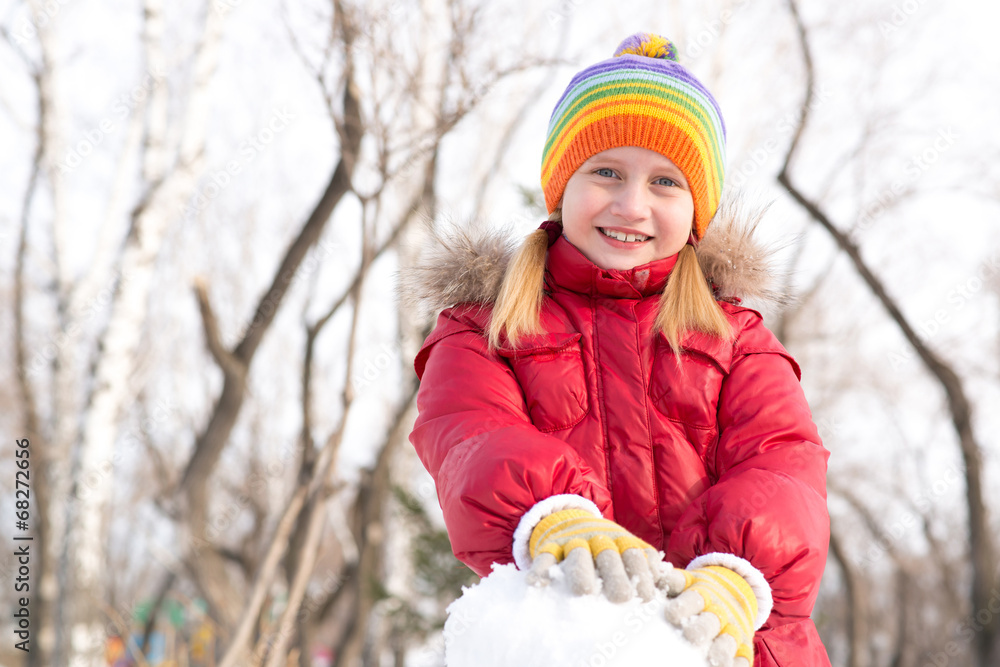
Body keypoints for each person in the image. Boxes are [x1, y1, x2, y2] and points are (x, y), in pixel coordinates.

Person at [406, 32, 830, 666]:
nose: (633, 205)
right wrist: (549, 515)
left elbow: (782, 463)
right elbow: (470, 433)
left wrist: (740, 576)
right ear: (561, 185)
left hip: (727, 642)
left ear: (695, 210)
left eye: (665, 182)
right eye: (606, 171)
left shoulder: (737, 338)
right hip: (568, 631)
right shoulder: (485, 330)